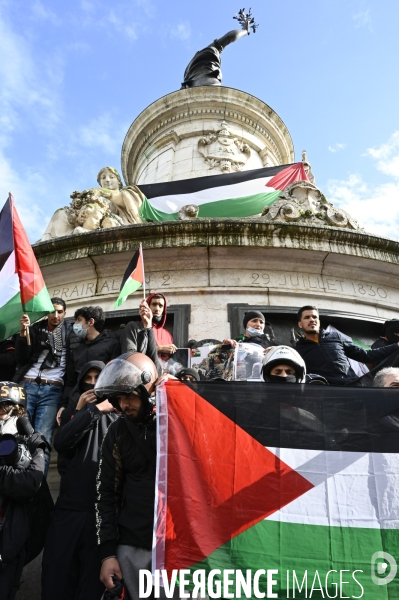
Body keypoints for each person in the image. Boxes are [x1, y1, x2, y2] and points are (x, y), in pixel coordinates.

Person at [95, 352, 176, 599]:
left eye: (130, 396)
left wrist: (183, 396)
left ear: (147, 390)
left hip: (181, 545)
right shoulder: (116, 432)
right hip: (133, 546)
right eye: (118, 398)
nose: (124, 405)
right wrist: (108, 554)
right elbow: (105, 494)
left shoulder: (178, 418)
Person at [41, 361, 118, 600]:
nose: (93, 384)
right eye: (88, 378)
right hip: (68, 511)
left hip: (101, 516)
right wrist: (84, 411)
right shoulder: (77, 413)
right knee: (57, 580)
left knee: (92, 586)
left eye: (99, 378)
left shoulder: (119, 416)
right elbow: (62, 444)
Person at [0, 382, 49, 599]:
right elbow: (24, 482)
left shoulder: (26, 447)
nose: (2, 416)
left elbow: (32, 488)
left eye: (4, 410)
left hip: (11, 543)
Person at [14, 297, 71, 475]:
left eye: (60, 311)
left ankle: (38, 490)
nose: (55, 315)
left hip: (52, 390)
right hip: (27, 386)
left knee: (42, 441)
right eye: (52, 311)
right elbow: (21, 358)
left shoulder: (70, 332)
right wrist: (24, 334)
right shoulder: (35, 329)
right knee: (19, 436)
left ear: (65, 313)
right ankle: (17, 481)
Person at [295, 305, 399, 386]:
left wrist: (396, 346)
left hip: (353, 387)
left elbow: (366, 355)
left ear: (318, 321)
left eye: (314, 317)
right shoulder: (298, 350)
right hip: (326, 394)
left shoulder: (336, 337)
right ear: (300, 324)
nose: (312, 320)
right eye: (307, 317)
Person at [62, 305, 120, 408]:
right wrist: (63, 406)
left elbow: (116, 376)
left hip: (103, 403)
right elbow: (70, 382)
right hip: (76, 405)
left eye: (79, 320)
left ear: (90, 322)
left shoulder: (112, 345)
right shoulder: (76, 351)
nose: (75, 324)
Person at [120, 300, 161, 373]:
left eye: (160, 306)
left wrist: (148, 327)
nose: (157, 309)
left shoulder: (162, 332)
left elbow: (156, 368)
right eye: (154, 304)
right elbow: (131, 360)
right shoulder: (132, 326)